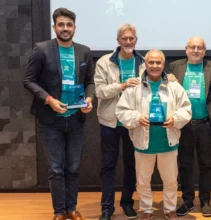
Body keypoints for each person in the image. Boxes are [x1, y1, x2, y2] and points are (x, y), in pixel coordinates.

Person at [23, 8, 94, 220]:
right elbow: (28, 81)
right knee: (56, 169)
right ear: (54, 27)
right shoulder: (41, 49)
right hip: (50, 119)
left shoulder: (84, 51)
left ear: (74, 28)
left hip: (75, 119)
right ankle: (59, 212)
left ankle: (71, 208)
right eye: (61, 25)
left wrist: (89, 99)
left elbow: (89, 81)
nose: (65, 28)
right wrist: (49, 100)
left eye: (69, 25)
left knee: (72, 168)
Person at [116, 50, 192, 220]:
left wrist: (175, 119)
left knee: (171, 181)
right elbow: (121, 110)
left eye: (158, 63)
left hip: (168, 142)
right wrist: (136, 118)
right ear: (145, 64)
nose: (155, 66)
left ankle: (170, 208)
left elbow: (186, 109)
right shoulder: (134, 87)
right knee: (142, 182)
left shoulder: (174, 86)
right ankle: (147, 209)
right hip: (143, 143)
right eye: (151, 62)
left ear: (163, 64)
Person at [94, 24, 142, 220]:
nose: (128, 42)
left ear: (136, 40)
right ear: (118, 40)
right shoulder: (104, 62)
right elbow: (99, 91)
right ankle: (107, 208)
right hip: (110, 122)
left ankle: (127, 202)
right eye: (125, 38)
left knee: (131, 165)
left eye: (131, 38)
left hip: (133, 122)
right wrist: (121, 86)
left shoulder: (144, 62)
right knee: (108, 166)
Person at [168, 36, 211, 217]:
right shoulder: (176, 67)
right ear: (186, 49)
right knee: (185, 165)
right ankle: (187, 201)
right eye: (192, 47)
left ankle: (205, 201)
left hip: (205, 123)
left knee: (206, 165)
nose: (196, 50)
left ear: (205, 50)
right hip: (183, 125)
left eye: (200, 47)